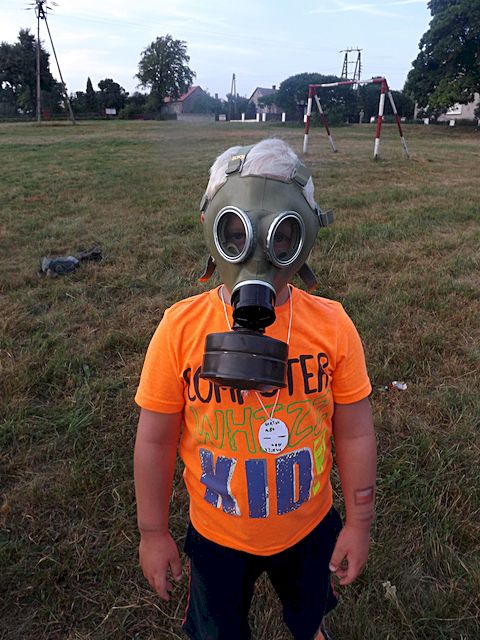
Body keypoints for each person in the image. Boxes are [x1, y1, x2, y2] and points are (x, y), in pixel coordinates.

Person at [134, 138, 377, 640]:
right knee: (219, 628)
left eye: (281, 239)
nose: (261, 259)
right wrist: (152, 531)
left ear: (307, 235)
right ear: (211, 229)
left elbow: (355, 433)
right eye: (236, 234)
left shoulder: (332, 327)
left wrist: (358, 522)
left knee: (308, 609)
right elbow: (155, 440)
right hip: (216, 534)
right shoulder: (179, 330)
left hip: (309, 527)